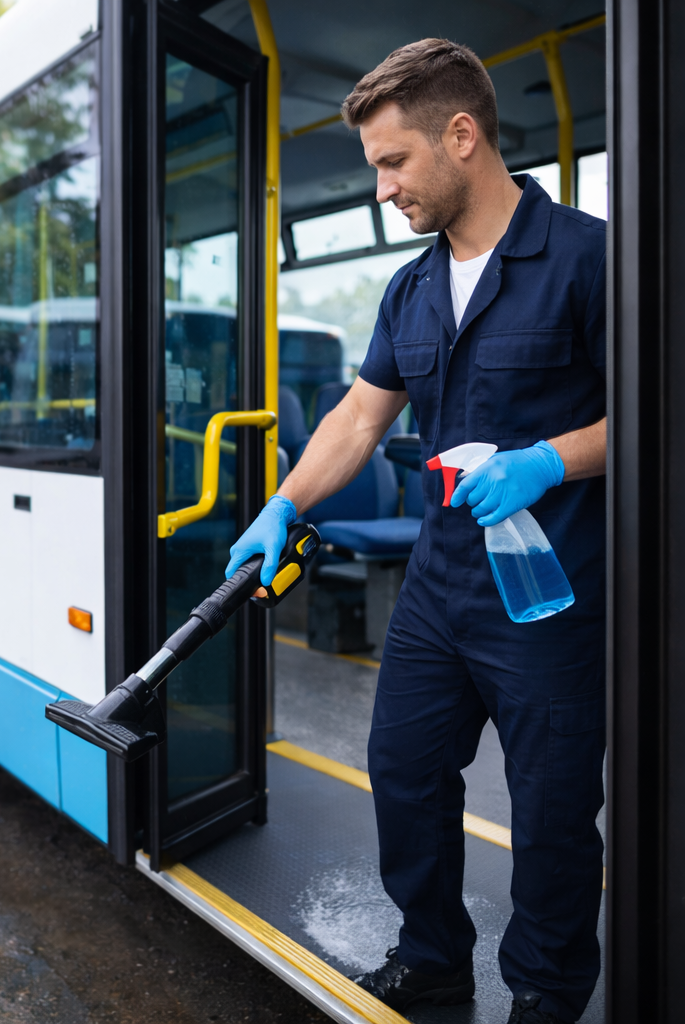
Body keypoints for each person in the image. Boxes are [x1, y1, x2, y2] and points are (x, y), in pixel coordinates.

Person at [226, 39, 606, 1024]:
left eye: (393, 163)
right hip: (438, 588)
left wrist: (545, 460)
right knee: (401, 773)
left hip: (549, 591)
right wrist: (284, 504)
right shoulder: (410, 289)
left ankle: (545, 994)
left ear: (462, 135)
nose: (383, 188)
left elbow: (655, 413)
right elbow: (360, 417)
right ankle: (432, 957)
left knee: (554, 815)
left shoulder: (589, 259)